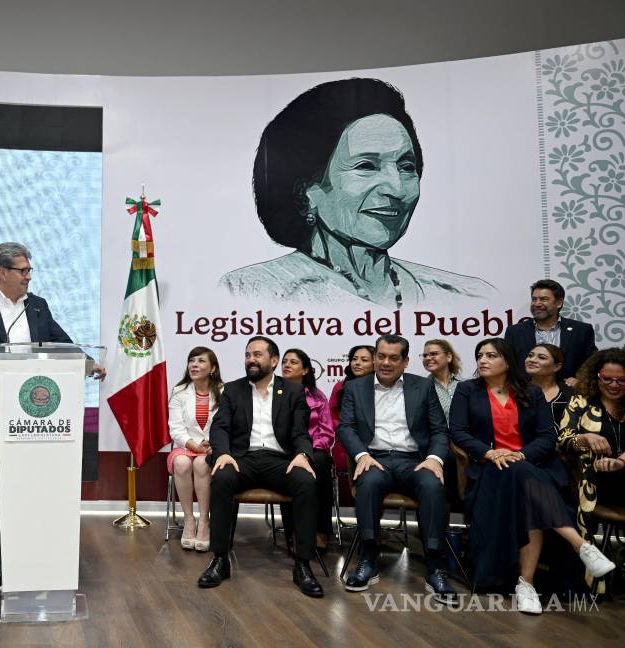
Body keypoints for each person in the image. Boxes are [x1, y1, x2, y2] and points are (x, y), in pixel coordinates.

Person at [219, 78, 494, 307]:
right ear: (307, 191)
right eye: (366, 166)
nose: (397, 188)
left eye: (406, 166)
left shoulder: (468, 296)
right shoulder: (254, 290)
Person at [0, 242, 103, 587]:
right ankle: (4, 557)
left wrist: (88, 363)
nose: (29, 277)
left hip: (37, 420)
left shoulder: (38, 306)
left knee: (34, 488)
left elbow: (62, 345)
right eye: (23, 270)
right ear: (2, 272)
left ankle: (38, 553)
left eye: (29, 270)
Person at [448, 338, 614, 614]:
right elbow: (458, 431)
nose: (482, 360)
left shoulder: (530, 392)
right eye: (480, 355)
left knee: (526, 485)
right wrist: (490, 453)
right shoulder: (467, 390)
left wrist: (521, 455)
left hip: (531, 465)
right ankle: (579, 548)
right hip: (491, 469)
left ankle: (527, 584)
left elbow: (547, 436)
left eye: (491, 355)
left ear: (508, 361)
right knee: (529, 489)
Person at [198, 336, 324, 597]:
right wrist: (223, 454)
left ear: (274, 361)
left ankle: (302, 564)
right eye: (247, 355)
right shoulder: (233, 390)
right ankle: (219, 559)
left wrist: (303, 454)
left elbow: (300, 432)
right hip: (242, 459)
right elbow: (220, 427)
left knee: (305, 481)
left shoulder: (293, 391)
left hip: (280, 460)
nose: (251, 360)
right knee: (222, 477)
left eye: (257, 355)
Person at [337, 334, 456, 602]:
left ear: (405, 361)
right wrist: (362, 455)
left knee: (433, 486)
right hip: (375, 458)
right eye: (381, 356)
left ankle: (434, 565)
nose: (386, 363)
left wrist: (434, 459)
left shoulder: (422, 386)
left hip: (414, 460)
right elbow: (345, 427)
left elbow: (439, 430)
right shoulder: (356, 387)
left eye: (393, 358)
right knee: (368, 483)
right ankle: (368, 558)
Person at [557, 348, 625, 594]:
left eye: (621, 380)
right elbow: (563, 440)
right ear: (596, 376)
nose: (614, 385)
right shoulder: (581, 401)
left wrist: (622, 460)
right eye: (607, 379)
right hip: (592, 480)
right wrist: (584, 438)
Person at [279, 348, 335, 554]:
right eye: (285, 361)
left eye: (293, 362)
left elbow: (327, 432)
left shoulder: (317, 397)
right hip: (285, 450)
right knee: (285, 465)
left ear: (305, 370)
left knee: (321, 462)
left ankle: (321, 531)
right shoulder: (275, 393)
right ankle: (293, 532)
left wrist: (308, 451)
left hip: (314, 449)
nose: (287, 365)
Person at [168, 346, 224, 552]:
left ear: (212, 368)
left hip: (212, 447)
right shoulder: (179, 391)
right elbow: (176, 428)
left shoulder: (225, 392)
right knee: (181, 463)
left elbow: (226, 424)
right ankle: (189, 520)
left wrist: (211, 444)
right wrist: (193, 445)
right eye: (191, 360)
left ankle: (204, 521)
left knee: (202, 464)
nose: (194, 365)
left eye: (201, 361)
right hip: (186, 445)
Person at [505, 279, 597, 383]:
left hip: (568, 391)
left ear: (559, 303)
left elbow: (593, 364)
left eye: (543, 299)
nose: (537, 304)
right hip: (527, 391)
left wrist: (580, 381)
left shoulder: (581, 331)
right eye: (534, 299)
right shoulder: (515, 331)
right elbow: (508, 366)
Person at [421, 338, 463, 506]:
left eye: (434, 354)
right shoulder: (421, 388)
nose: (428, 358)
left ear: (449, 357)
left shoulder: (465, 386)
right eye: (425, 355)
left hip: (464, 441)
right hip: (438, 443)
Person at [329, 344, 375, 470]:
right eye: (354, 359)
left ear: (375, 364)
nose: (357, 363)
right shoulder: (340, 386)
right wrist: (347, 432)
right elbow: (332, 416)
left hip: (375, 439)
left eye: (364, 360)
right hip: (346, 436)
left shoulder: (380, 387)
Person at [524, 343, 576, 432]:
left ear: (557, 367)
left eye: (541, 357)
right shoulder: (516, 390)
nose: (532, 360)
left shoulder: (570, 392)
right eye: (530, 356)